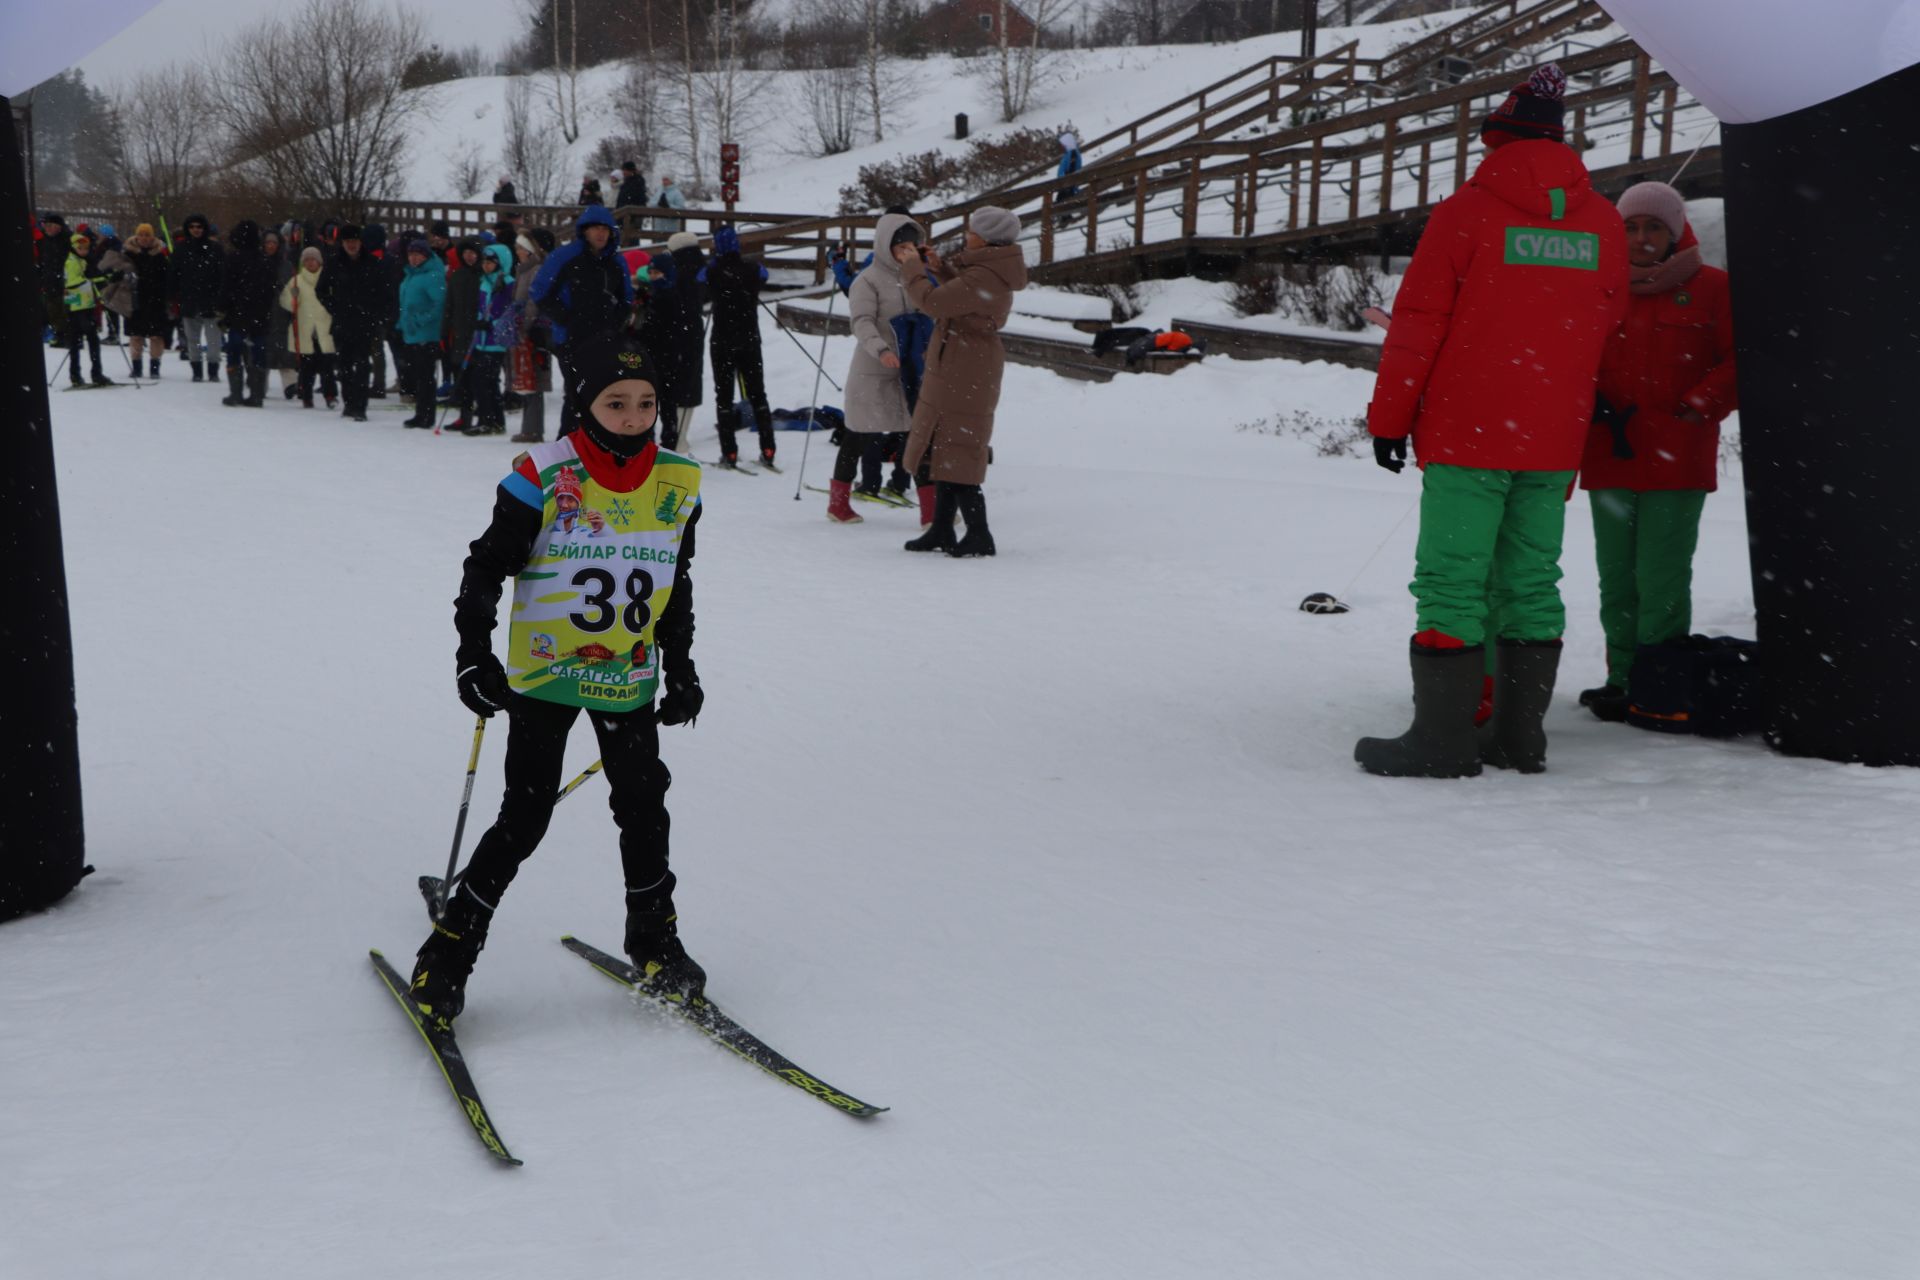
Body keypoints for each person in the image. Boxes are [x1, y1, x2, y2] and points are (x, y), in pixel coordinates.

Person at [408, 336, 707, 1031]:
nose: (633, 417)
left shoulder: (679, 481)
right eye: (616, 403)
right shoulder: (542, 475)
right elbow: (484, 569)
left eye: (646, 404)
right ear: (586, 404)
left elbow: (673, 582)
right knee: (525, 817)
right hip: (546, 673)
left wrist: (683, 666)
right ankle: (448, 952)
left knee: (643, 805)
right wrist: (472, 655)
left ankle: (655, 941)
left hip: (626, 675)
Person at [1353, 64, 1628, 779]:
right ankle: (1518, 738)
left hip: (1468, 429)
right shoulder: (1602, 222)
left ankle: (1442, 741)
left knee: (1451, 578)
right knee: (1531, 580)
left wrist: (1389, 418)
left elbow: (1417, 325)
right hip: (1552, 435)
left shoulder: (1467, 213)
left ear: (1497, 141)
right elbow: (1609, 324)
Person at [1575, 181, 1738, 721]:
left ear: (1674, 232)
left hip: (1678, 460)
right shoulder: (1597, 287)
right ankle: (1623, 680)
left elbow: (1742, 360)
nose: (1641, 238)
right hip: (1611, 456)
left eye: (1653, 228)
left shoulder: (1713, 288)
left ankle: (1659, 689)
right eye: (1631, 227)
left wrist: (1698, 404)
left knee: (1662, 578)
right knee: (1617, 579)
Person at [900, 205, 1028, 556]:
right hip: (962, 362)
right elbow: (962, 292)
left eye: (972, 231)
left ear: (985, 238)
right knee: (945, 447)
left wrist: (913, 268)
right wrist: (938, 267)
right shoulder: (987, 268)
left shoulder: (985, 275)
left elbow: (934, 302)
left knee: (958, 448)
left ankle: (979, 534)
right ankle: (942, 528)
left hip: (967, 366)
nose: (967, 234)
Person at [828, 212, 925, 524]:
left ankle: (933, 511)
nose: (907, 251)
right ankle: (838, 505)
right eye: (901, 246)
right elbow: (862, 321)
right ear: (887, 246)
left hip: (910, 370)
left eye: (912, 245)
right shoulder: (866, 280)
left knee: (920, 438)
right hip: (872, 369)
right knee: (857, 436)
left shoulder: (918, 276)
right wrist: (880, 349)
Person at [529, 205, 633, 437]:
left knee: (601, 394)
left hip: (606, 339)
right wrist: (565, 318)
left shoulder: (616, 262)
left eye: (605, 229)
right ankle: (566, 449)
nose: (601, 233)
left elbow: (627, 298)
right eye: (595, 228)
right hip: (571, 338)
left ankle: (593, 447)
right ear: (584, 231)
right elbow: (539, 291)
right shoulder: (565, 256)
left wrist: (616, 324)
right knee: (577, 394)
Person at [701, 225, 775, 468]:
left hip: (722, 339)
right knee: (758, 393)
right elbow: (765, 275)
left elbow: (699, 281)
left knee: (724, 396)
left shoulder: (712, 270)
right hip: (749, 339)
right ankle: (768, 447)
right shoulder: (753, 268)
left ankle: (729, 452)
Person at [641, 230, 707, 451]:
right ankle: (680, 436)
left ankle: (672, 438)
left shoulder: (674, 271)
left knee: (669, 389)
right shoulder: (702, 268)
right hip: (694, 330)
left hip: (672, 337)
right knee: (690, 383)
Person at [319, 223, 389, 421]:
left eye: (354, 241)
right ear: (342, 243)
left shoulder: (373, 263)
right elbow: (321, 290)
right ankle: (349, 402)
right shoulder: (334, 263)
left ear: (360, 243)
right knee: (344, 366)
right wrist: (334, 307)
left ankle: (361, 406)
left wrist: (376, 314)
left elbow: (383, 293)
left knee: (363, 364)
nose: (351, 245)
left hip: (365, 323)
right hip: (342, 322)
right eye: (348, 241)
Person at [220, 219, 283, 408]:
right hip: (260, 313)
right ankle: (256, 393)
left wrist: (224, 309)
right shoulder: (265, 260)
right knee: (258, 351)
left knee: (234, 350)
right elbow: (271, 288)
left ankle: (236, 393)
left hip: (238, 312)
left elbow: (226, 288)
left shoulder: (233, 258)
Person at [461, 243, 517, 436]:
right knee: (487, 382)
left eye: (491, 262)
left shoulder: (507, 283)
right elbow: (481, 309)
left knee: (482, 381)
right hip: (481, 340)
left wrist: (492, 324)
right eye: (484, 261)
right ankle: (495, 420)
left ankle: (487, 419)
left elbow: (509, 313)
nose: (486, 265)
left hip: (496, 342)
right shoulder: (484, 282)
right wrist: (478, 323)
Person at [397, 239, 448, 429]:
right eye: (411, 254)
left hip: (427, 334)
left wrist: (419, 320)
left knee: (426, 376)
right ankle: (421, 412)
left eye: (418, 254)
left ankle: (427, 415)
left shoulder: (433, 275)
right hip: (411, 333)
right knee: (417, 375)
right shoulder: (410, 275)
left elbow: (439, 304)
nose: (414, 258)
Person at [509, 233, 554, 443]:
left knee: (533, 379)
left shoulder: (534, 271)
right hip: (526, 330)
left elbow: (532, 302)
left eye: (520, 248)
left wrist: (525, 325)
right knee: (528, 379)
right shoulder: (524, 271)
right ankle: (530, 427)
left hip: (534, 332)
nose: (517, 252)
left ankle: (533, 429)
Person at [282, 246, 339, 409]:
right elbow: (286, 303)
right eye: (306, 260)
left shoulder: (328, 278)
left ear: (319, 261)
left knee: (327, 365)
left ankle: (330, 395)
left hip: (324, 328)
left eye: (313, 259)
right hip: (305, 329)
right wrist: (292, 297)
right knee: (307, 367)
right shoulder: (296, 281)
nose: (310, 263)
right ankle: (306, 396)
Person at [172, 213, 225, 383]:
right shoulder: (180, 249)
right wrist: (173, 296)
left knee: (214, 340)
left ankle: (213, 370)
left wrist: (221, 297)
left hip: (211, 300)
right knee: (192, 338)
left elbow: (222, 275)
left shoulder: (215, 249)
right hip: (189, 299)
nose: (196, 230)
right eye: (192, 227)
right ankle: (196, 370)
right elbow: (173, 275)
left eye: (199, 227)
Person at [59, 232, 115, 386]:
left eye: (86, 248)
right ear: (74, 247)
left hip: (86, 304)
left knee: (90, 340)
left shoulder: (85, 259)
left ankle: (95, 373)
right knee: (80, 340)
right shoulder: (71, 261)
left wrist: (105, 278)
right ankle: (76, 375)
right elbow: (72, 282)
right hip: (75, 305)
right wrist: (88, 279)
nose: (84, 251)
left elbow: (95, 277)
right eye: (80, 248)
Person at [441, 239, 485, 430]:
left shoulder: (483, 276)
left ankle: (484, 416)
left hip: (479, 334)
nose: (469, 256)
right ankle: (464, 416)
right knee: (462, 378)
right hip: (460, 334)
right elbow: (449, 306)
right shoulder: (457, 276)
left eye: (473, 253)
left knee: (480, 378)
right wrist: (444, 331)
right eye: (466, 253)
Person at [119, 223, 171, 378]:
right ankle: (136, 366)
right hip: (135, 299)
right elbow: (119, 274)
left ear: (152, 236)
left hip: (155, 299)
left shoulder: (160, 254)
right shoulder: (128, 253)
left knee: (156, 335)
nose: (144, 238)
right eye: (141, 235)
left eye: (147, 235)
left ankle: (155, 366)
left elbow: (166, 276)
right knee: (136, 335)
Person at [1057, 132, 1083, 200]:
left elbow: (1071, 170)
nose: (1062, 146)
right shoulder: (1071, 153)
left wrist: (1066, 183)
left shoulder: (1072, 155)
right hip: (1066, 185)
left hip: (1066, 187)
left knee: (1059, 206)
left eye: (1063, 144)